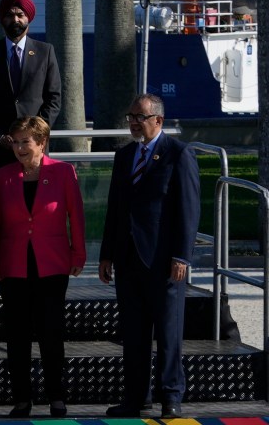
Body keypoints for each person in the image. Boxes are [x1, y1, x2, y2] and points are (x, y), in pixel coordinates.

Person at [99, 95, 200, 418]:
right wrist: (106, 255)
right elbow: (115, 209)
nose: (133, 122)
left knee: (168, 333)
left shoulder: (178, 154)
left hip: (163, 261)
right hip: (128, 259)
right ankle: (136, 397)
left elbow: (188, 209)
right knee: (133, 334)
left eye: (139, 117)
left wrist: (182, 256)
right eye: (130, 116)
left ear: (157, 120)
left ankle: (171, 395)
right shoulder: (124, 155)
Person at [0, 116, 83, 417]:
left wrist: (78, 254)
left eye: (25, 142)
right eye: (15, 142)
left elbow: (76, 216)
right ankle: (22, 399)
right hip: (14, 264)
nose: (18, 148)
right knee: (17, 335)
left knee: (51, 332)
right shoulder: (3, 176)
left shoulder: (64, 172)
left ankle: (56, 396)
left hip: (51, 264)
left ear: (42, 142)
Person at [0, 0, 62, 175]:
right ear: (2, 19)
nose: (15, 19)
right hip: (0, 148)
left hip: (34, 148)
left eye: (20, 15)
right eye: (10, 15)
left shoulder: (45, 52)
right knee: (2, 201)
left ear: (29, 18)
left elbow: (53, 98)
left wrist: (34, 134)